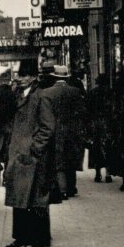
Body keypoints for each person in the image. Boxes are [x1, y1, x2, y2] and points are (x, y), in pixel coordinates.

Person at [3, 61, 60, 247]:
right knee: (20, 198)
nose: (21, 78)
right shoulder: (19, 95)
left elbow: (48, 127)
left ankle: (38, 239)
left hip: (32, 157)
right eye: (20, 75)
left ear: (34, 77)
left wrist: (35, 149)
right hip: (19, 155)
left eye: (26, 75)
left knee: (35, 199)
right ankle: (21, 237)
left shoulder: (40, 97)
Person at [40, 66, 87, 200]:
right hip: (72, 130)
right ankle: (72, 188)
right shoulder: (75, 92)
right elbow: (82, 111)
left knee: (58, 160)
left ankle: (62, 189)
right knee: (71, 158)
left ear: (54, 77)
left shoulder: (47, 93)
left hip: (55, 130)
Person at [86, 74, 113, 183]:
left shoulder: (92, 93)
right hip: (107, 122)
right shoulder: (110, 93)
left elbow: (87, 109)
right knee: (108, 147)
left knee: (95, 147)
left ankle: (97, 173)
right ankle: (108, 174)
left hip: (95, 122)